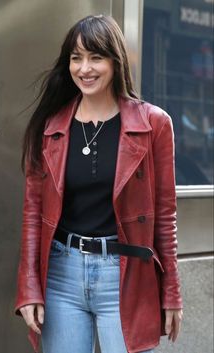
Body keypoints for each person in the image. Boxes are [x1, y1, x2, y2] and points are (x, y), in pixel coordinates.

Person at [14, 14, 183, 353]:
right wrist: (29, 286)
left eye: (96, 57)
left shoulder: (153, 124)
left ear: (115, 61)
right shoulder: (50, 127)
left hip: (126, 276)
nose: (85, 68)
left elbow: (165, 215)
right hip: (61, 274)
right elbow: (33, 213)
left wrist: (171, 292)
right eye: (76, 58)